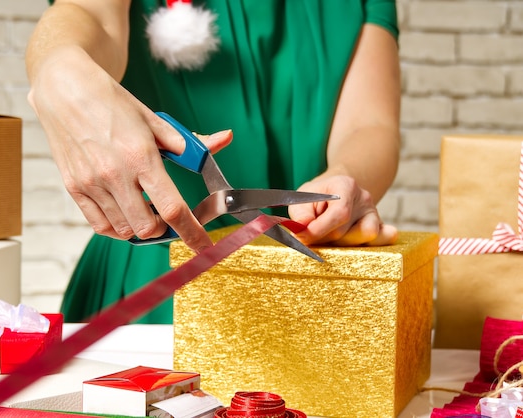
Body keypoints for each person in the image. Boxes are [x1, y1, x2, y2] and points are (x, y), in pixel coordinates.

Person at [26, 0, 401, 324]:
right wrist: (59, 69)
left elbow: (370, 124)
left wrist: (344, 178)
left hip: (307, 277)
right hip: (152, 277)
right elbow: (87, 15)